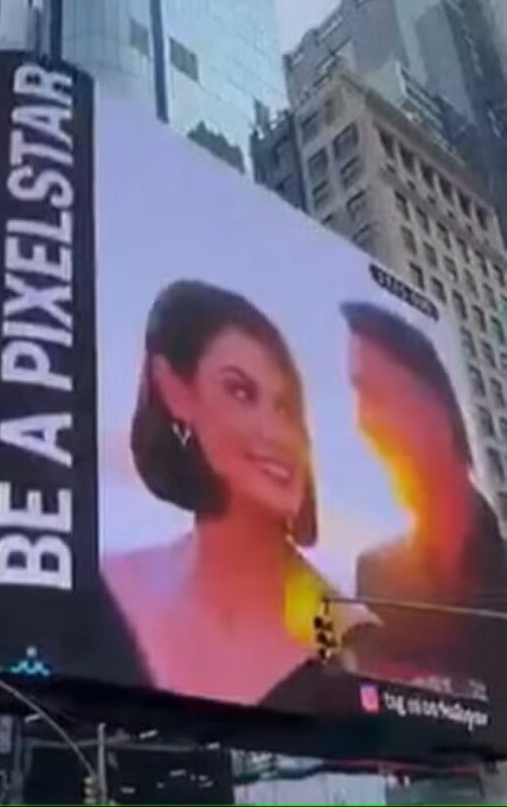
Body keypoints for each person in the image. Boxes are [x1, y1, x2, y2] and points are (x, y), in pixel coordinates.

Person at [104, 280, 368, 706]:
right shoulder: (111, 588)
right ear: (175, 390)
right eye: (241, 392)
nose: (276, 434)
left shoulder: (351, 636)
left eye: (285, 407)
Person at [343, 302, 507, 685]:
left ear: (436, 400)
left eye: (374, 393)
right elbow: (385, 711)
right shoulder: (376, 573)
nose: (362, 420)